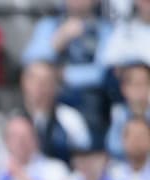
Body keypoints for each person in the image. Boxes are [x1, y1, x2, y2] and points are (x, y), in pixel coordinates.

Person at [22, 0, 110, 130]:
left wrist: (64, 74)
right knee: (38, 76)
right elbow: (30, 60)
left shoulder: (105, 29)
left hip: (90, 100)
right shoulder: (48, 25)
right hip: (52, 97)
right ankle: (39, 130)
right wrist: (59, 40)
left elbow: (103, 72)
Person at [19, 60, 92, 166]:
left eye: (47, 82)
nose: (41, 87)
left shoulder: (70, 118)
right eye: (36, 81)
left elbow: (84, 159)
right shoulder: (13, 120)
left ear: (55, 86)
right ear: (24, 82)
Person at [106, 62, 150, 161]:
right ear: (124, 88)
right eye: (136, 84)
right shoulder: (118, 114)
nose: (140, 89)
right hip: (126, 168)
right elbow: (113, 147)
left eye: (145, 83)